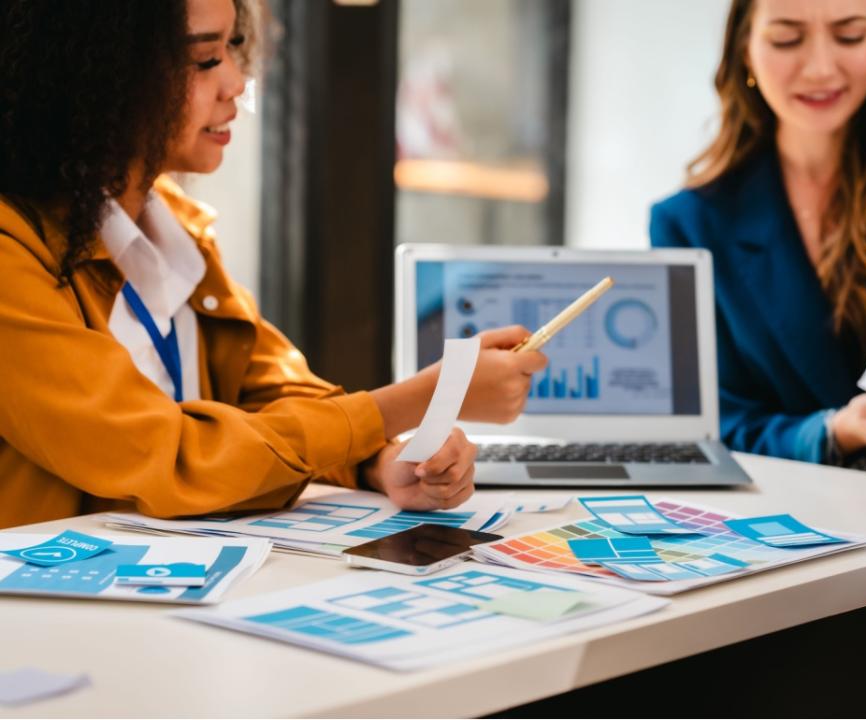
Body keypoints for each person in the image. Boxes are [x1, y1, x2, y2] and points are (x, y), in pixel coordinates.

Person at [0, 0, 547, 529]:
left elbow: (276, 396)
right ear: (98, 76)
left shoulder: (179, 229)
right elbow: (174, 457)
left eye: (234, 47)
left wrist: (380, 460)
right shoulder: (12, 254)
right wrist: (425, 397)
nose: (237, 82)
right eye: (205, 58)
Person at [649, 0, 866, 471]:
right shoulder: (689, 222)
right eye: (787, 39)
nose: (820, 68)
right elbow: (708, 427)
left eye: (850, 35)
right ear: (746, 50)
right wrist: (831, 432)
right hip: (791, 522)